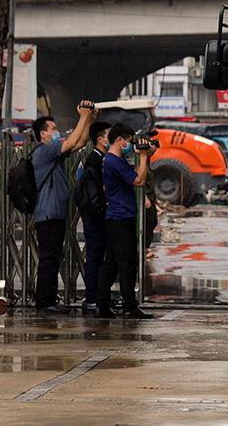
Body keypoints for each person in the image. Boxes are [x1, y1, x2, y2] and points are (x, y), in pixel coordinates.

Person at [30, 101, 96, 313]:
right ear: (43, 134)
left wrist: (89, 119)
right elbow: (70, 143)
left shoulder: (53, 154)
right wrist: (83, 117)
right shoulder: (44, 151)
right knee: (48, 259)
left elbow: (80, 142)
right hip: (47, 215)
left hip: (55, 215)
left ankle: (49, 300)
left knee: (53, 257)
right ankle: (44, 303)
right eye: (53, 129)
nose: (57, 132)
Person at [96, 123, 153, 319]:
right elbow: (138, 181)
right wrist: (144, 156)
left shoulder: (114, 160)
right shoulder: (113, 161)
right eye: (128, 141)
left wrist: (144, 156)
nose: (129, 145)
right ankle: (129, 307)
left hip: (116, 217)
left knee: (111, 264)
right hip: (121, 218)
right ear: (120, 140)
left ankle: (102, 306)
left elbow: (135, 174)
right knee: (127, 264)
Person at [76, 121, 110, 313]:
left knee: (98, 257)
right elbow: (94, 192)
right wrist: (100, 211)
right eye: (109, 136)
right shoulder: (94, 160)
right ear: (100, 139)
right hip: (95, 217)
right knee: (95, 257)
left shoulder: (101, 159)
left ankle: (97, 296)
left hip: (97, 216)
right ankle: (91, 298)